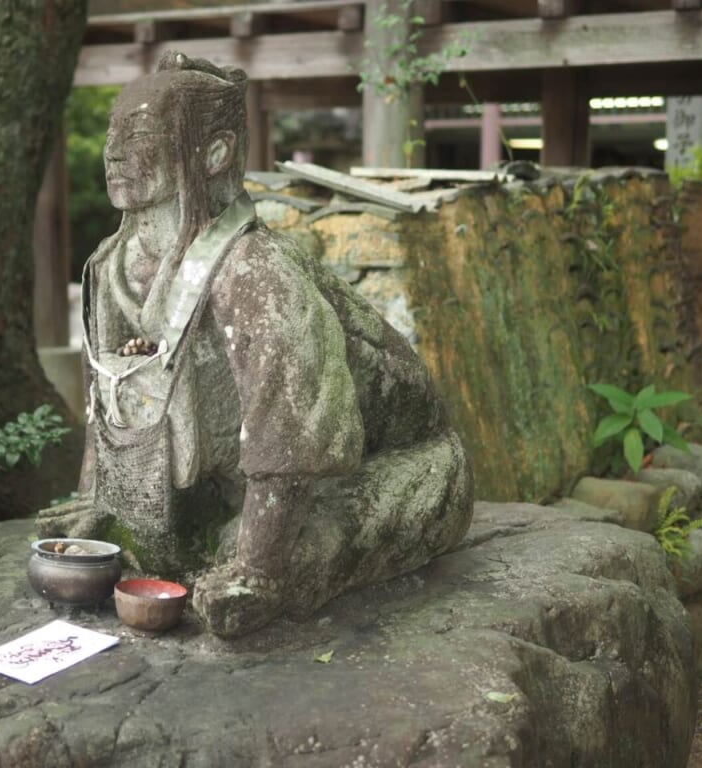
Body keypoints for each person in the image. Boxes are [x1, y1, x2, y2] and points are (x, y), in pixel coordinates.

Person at [38, 51, 473, 637]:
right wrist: (97, 497)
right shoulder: (109, 264)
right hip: (231, 482)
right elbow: (108, 394)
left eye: (138, 133)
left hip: (400, 464)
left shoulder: (255, 271)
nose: (113, 150)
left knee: (260, 555)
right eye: (114, 132)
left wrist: (258, 570)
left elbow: (295, 446)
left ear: (213, 152)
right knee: (135, 539)